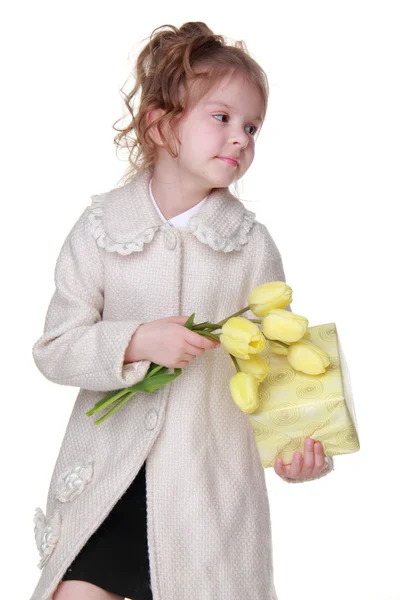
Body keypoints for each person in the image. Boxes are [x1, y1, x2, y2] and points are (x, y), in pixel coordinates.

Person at [30, 21, 334, 600]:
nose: (240, 137)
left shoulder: (250, 244)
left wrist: (300, 449)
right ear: (160, 123)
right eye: (221, 117)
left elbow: (276, 366)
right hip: (108, 488)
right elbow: (55, 347)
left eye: (252, 126)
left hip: (206, 497)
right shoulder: (101, 230)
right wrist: (136, 341)